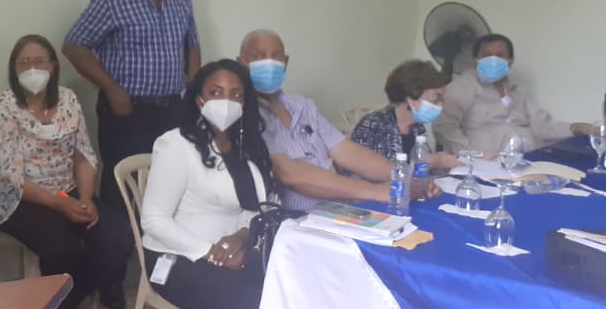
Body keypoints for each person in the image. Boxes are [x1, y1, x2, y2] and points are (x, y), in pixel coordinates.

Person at [63, 0, 201, 309]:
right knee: (120, 193)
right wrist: (111, 87)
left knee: (172, 188)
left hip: (171, 107)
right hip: (128, 110)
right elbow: (74, 45)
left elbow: (192, 45)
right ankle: (111, 279)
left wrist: (193, 90)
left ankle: (168, 273)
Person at [139, 60, 276, 309]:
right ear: (199, 99)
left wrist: (242, 239)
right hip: (176, 257)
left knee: (281, 292)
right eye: (216, 92)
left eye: (235, 94)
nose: (225, 101)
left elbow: (261, 209)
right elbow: (153, 220)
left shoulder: (249, 148)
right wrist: (210, 251)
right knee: (247, 302)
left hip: (236, 254)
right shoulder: (176, 144)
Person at [0, 35, 133, 309]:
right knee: (63, 248)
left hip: (66, 188)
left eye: (40, 61)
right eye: (24, 62)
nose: (32, 68)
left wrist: (86, 199)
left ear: (53, 65)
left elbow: (84, 154)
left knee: (119, 239)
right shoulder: (4, 106)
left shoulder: (67, 100)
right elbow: (8, 174)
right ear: (14, 69)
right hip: (20, 198)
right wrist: (58, 204)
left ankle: (60, 308)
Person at [236, 29, 437, 211]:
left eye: (276, 57)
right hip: (296, 221)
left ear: (286, 63)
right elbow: (288, 173)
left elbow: (349, 152)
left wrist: (405, 178)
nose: (269, 63)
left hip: (338, 210)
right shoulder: (244, 115)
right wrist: (375, 191)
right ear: (241, 62)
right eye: (258, 56)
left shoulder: (303, 106)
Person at [436, 33, 594, 154]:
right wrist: (473, 157)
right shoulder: (461, 87)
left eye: (500, 55)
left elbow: (542, 126)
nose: (493, 60)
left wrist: (576, 127)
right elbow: (444, 128)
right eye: (486, 55)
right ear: (475, 59)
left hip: (528, 160)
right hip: (484, 165)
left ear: (510, 61)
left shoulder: (519, 88)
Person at [351, 60, 458, 169]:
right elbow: (370, 173)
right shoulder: (374, 125)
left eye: (441, 99)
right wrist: (429, 164)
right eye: (435, 98)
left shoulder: (417, 128)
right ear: (412, 96)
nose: (440, 105)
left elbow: (423, 174)